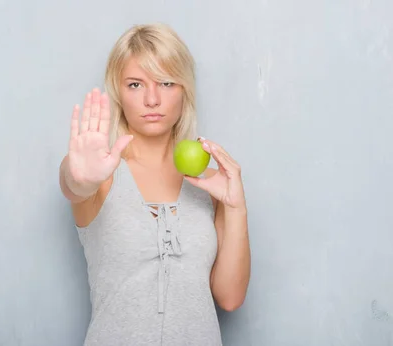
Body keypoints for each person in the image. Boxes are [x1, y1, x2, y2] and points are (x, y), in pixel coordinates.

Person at [59, 22, 251, 346]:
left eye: (165, 82)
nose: (151, 99)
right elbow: (74, 184)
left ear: (184, 89)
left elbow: (230, 298)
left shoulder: (209, 187)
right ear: (119, 92)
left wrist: (236, 207)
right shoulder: (99, 173)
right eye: (135, 84)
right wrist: (78, 176)